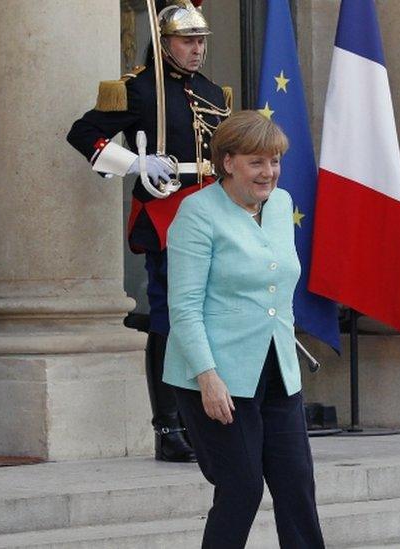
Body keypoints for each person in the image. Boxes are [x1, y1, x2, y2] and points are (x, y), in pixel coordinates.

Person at [67, 0, 231, 462]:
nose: (197, 49)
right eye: (187, 41)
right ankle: (168, 427)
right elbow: (82, 133)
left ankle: (207, 417)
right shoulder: (138, 89)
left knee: (208, 318)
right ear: (165, 43)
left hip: (211, 211)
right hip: (167, 214)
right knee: (169, 318)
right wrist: (134, 163)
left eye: (201, 41)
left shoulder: (214, 92)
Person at [164, 110, 325, 548]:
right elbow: (183, 307)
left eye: (274, 161)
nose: (268, 172)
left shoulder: (281, 204)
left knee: (296, 486)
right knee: (242, 489)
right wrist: (207, 377)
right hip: (216, 375)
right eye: (257, 162)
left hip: (277, 370)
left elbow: (278, 287)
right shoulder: (196, 213)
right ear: (228, 161)